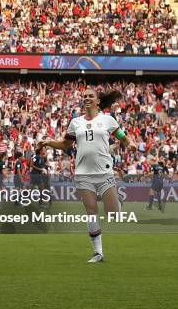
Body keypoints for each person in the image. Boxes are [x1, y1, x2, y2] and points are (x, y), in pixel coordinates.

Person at [39, 89, 136, 263]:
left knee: (114, 214)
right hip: (83, 173)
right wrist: (49, 142)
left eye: (91, 96)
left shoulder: (108, 120)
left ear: (98, 101)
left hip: (104, 172)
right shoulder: (75, 122)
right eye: (84, 96)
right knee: (91, 212)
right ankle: (98, 252)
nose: (87, 98)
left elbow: (123, 137)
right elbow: (66, 144)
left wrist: (130, 144)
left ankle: (118, 201)